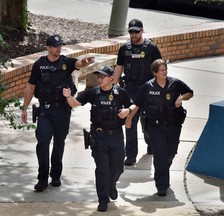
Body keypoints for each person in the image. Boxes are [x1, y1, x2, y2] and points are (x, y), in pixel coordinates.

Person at [21, 34, 94, 192]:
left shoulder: (65, 62)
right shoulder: (39, 65)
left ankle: (55, 175)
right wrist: (25, 107)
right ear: (48, 47)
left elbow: (78, 63)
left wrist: (85, 61)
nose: (59, 48)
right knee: (43, 142)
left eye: (60, 45)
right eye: (56, 46)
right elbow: (30, 87)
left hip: (62, 110)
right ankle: (42, 178)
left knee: (59, 143)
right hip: (45, 110)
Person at [63, 66, 133, 212]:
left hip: (116, 136)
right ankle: (103, 199)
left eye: (103, 77)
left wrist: (128, 112)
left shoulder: (120, 93)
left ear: (111, 78)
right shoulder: (93, 93)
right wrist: (68, 96)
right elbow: (75, 103)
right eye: (98, 77)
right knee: (102, 169)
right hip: (98, 136)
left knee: (118, 167)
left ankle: (111, 185)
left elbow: (133, 105)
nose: (100, 79)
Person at [122, 59, 193, 196]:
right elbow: (137, 104)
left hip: (173, 126)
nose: (165, 72)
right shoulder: (148, 87)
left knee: (171, 153)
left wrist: (181, 98)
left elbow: (190, 92)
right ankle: (162, 185)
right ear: (155, 73)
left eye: (166, 69)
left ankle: (163, 171)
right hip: (156, 127)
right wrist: (129, 118)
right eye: (162, 70)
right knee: (160, 154)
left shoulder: (175, 83)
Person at [113, 18, 162, 166]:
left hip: (147, 89)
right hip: (130, 90)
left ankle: (151, 143)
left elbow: (159, 69)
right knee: (130, 121)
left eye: (136, 31)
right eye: (131, 32)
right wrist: (113, 87)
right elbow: (118, 68)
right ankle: (130, 155)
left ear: (142, 30)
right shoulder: (124, 49)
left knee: (148, 121)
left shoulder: (152, 48)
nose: (133, 35)